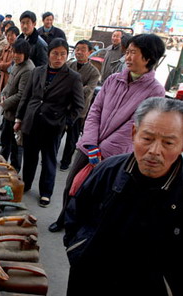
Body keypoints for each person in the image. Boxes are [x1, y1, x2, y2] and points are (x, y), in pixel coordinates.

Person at [64, 97, 183, 296]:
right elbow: (76, 214)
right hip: (89, 281)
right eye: (147, 139)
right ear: (134, 133)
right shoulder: (108, 170)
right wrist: (77, 250)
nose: (154, 151)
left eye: (168, 142)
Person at [49, 33, 166, 232]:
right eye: (127, 52)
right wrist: (91, 142)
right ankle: (64, 218)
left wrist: (102, 150)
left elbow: (135, 125)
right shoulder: (113, 80)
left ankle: (81, 226)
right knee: (72, 184)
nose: (127, 57)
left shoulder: (155, 91)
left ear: (148, 57)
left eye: (133, 53)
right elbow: (95, 110)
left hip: (115, 154)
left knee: (96, 191)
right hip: (90, 146)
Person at [14, 38, 84, 207]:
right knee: (29, 157)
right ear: (49, 54)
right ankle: (27, 184)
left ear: (67, 55)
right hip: (32, 121)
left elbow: (79, 106)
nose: (58, 57)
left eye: (62, 54)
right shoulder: (37, 71)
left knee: (48, 160)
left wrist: (65, 122)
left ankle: (46, 192)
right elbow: (26, 96)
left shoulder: (73, 77)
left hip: (53, 125)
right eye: (55, 53)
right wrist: (19, 118)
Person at [59, 40, 100, 172]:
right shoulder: (69, 65)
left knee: (72, 138)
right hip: (63, 106)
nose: (79, 52)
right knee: (57, 134)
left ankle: (65, 162)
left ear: (90, 52)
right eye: (77, 49)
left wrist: (71, 88)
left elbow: (88, 90)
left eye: (83, 49)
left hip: (79, 110)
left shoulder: (94, 72)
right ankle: (50, 157)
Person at [0, 38, 34, 172]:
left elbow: (22, 95)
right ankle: (1, 165)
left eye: (19, 53)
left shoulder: (28, 69)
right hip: (9, 112)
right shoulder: (17, 64)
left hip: (17, 114)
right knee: (5, 141)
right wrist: (3, 94)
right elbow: (9, 84)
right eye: (14, 52)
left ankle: (14, 172)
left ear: (25, 53)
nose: (15, 55)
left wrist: (5, 103)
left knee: (15, 145)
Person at [0, 26, 20, 93]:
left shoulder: (18, 49)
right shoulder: (6, 47)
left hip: (11, 79)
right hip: (3, 78)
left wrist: (2, 65)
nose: (9, 37)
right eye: (7, 35)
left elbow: (13, 64)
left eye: (12, 35)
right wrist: (1, 65)